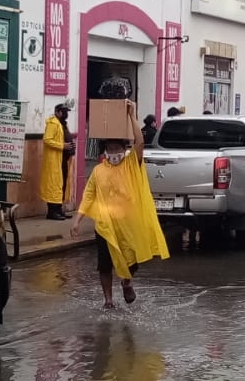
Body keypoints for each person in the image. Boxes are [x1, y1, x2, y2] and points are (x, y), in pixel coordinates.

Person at [70, 101, 171, 308]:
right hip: (105, 226)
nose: (113, 151)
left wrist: (132, 115)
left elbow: (140, 143)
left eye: (117, 147)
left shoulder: (132, 164)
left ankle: (126, 282)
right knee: (104, 265)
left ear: (124, 149)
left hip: (129, 224)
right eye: (109, 148)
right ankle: (108, 299)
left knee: (132, 260)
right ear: (105, 150)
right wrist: (77, 220)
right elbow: (89, 195)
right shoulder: (99, 171)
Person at [40, 103, 76, 220]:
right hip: (54, 159)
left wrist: (70, 145)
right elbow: (47, 140)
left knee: (62, 184)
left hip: (63, 158)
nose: (66, 114)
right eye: (64, 112)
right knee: (54, 185)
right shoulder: (52, 123)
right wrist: (62, 146)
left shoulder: (62, 124)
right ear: (58, 112)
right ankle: (52, 212)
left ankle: (59, 210)